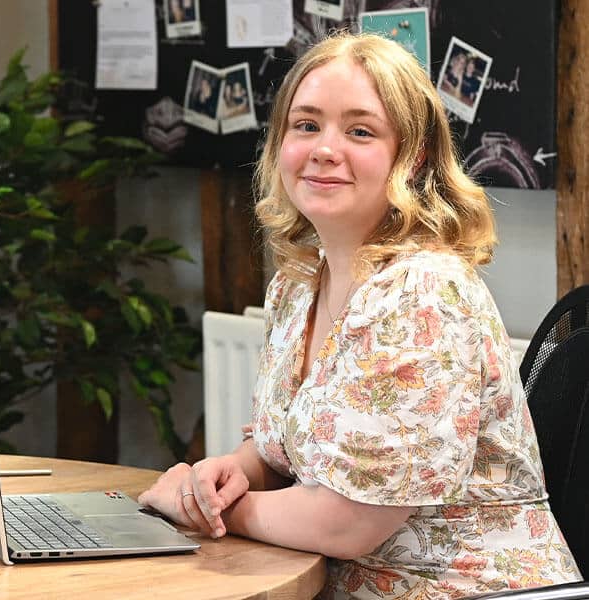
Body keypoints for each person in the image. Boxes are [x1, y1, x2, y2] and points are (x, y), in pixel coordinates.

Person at [139, 32, 581, 598]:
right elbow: (284, 449)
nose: (325, 148)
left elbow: (347, 523)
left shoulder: (423, 294)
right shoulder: (297, 285)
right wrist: (225, 476)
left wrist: (206, 513)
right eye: (306, 125)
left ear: (412, 155)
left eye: (360, 131)